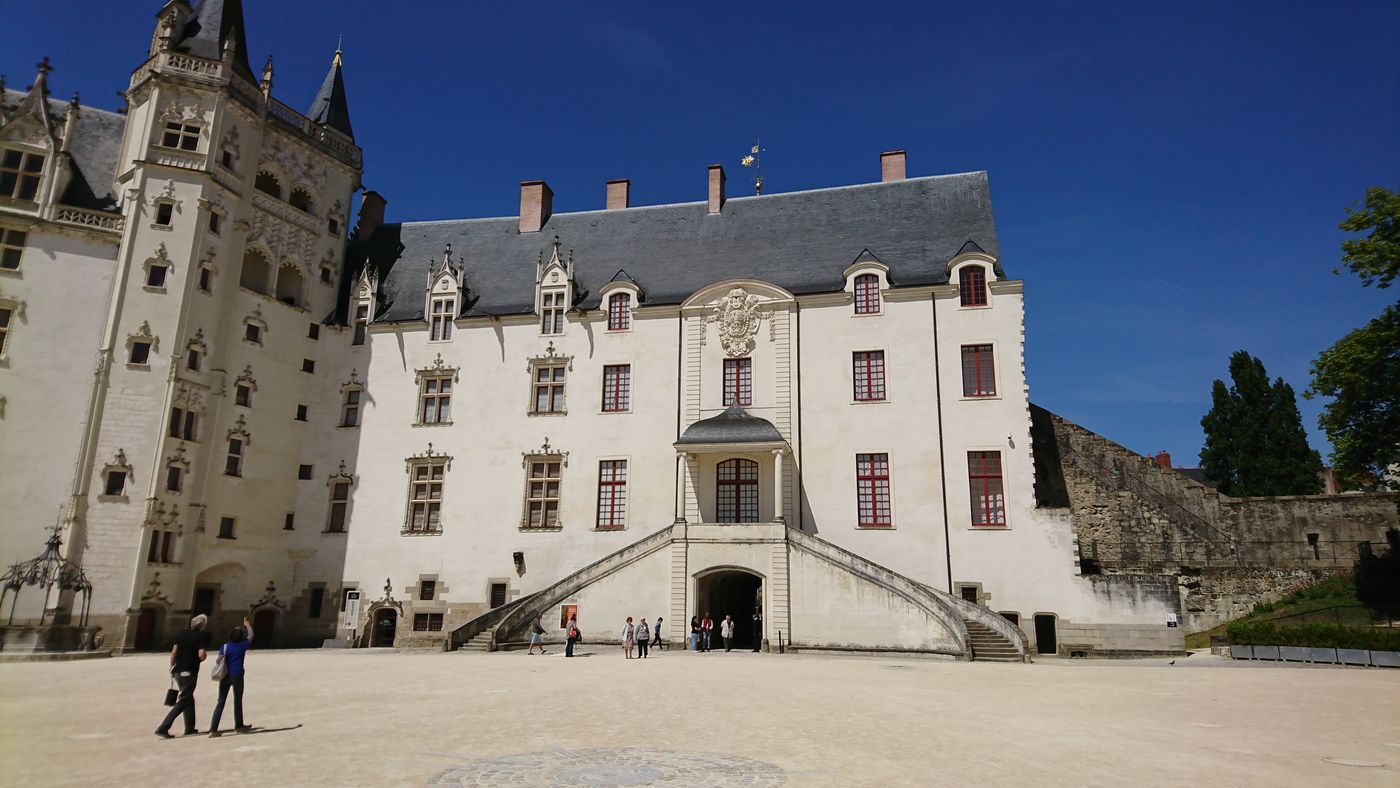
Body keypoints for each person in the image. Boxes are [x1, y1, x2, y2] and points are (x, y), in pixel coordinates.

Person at [155, 613, 210, 738]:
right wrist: (201, 658)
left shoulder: (181, 635)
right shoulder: (200, 637)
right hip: (189, 672)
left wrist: (172, 667)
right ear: (202, 625)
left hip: (178, 671)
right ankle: (163, 727)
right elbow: (201, 655)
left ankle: (190, 728)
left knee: (188, 698)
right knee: (184, 699)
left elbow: (174, 652)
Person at [209, 616, 254, 737]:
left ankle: (213, 729)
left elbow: (218, 660)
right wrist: (247, 625)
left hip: (225, 675)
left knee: (221, 701)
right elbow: (251, 635)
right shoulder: (243, 645)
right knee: (237, 700)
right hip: (237, 674)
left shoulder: (225, 646)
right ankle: (239, 726)